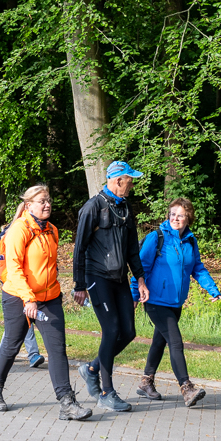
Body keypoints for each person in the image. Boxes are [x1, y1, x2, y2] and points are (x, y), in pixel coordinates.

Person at [0, 184, 91, 421]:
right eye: (42, 201)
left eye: (49, 200)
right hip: (18, 297)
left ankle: (67, 403)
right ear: (28, 205)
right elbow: (14, 268)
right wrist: (28, 299)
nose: (47, 205)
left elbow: (49, 267)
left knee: (57, 349)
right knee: (12, 345)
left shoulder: (52, 230)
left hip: (49, 298)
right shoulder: (18, 229)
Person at [73, 161, 150, 412]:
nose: (132, 186)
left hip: (119, 278)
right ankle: (107, 392)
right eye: (130, 181)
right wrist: (79, 285)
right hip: (97, 277)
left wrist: (140, 279)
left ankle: (91, 368)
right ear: (118, 181)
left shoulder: (125, 208)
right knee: (112, 329)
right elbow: (79, 249)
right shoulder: (92, 207)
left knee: (128, 332)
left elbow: (132, 249)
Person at [130, 198, 221, 406]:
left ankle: (146, 382)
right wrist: (134, 295)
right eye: (172, 214)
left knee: (159, 341)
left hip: (176, 302)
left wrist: (212, 289)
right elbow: (140, 268)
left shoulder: (190, 241)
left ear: (188, 217)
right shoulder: (157, 238)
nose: (175, 218)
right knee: (175, 341)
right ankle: (186, 388)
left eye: (180, 215)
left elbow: (197, 268)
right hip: (155, 300)